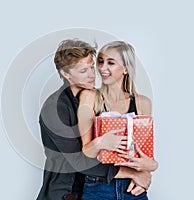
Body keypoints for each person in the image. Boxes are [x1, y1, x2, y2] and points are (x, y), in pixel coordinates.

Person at [37, 39, 152, 200]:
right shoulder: (55, 109)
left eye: (92, 66)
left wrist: (145, 171)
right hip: (67, 191)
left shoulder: (97, 99)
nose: (93, 74)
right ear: (66, 73)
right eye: (84, 70)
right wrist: (134, 174)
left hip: (102, 186)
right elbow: (78, 159)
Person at [78, 41, 158, 200]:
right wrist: (101, 142)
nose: (102, 68)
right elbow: (85, 152)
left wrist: (149, 169)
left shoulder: (142, 103)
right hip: (98, 187)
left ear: (126, 69)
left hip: (133, 186)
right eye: (100, 62)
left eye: (111, 63)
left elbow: (144, 153)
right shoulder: (90, 97)